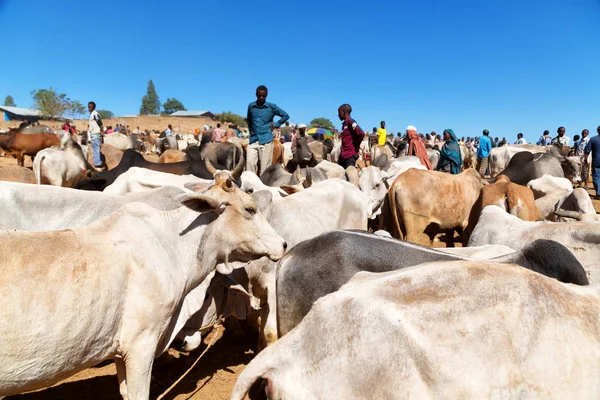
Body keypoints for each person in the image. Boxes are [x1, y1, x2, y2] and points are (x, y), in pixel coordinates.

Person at [246, 85, 289, 175]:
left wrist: (276, 125)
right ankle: (251, 187)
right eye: (259, 95)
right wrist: (251, 131)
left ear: (267, 95)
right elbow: (249, 120)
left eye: (263, 96)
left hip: (266, 140)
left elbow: (285, 115)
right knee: (249, 164)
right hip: (253, 140)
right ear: (256, 94)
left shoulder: (271, 107)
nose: (261, 97)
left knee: (265, 168)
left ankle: (263, 187)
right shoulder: (251, 106)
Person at [585, 126, 600, 199]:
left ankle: (599, 193)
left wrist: (585, 159)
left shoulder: (593, 139)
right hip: (596, 161)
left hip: (596, 161)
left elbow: (587, 150)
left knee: (596, 177)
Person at [87, 101, 104, 168]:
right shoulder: (92, 114)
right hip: (93, 134)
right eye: (88, 107)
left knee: (95, 150)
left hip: (95, 135)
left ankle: (98, 164)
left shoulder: (95, 114)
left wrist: (102, 132)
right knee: (94, 150)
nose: (89, 108)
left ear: (94, 107)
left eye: (90, 107)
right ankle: (97, 163)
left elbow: (100, 123)